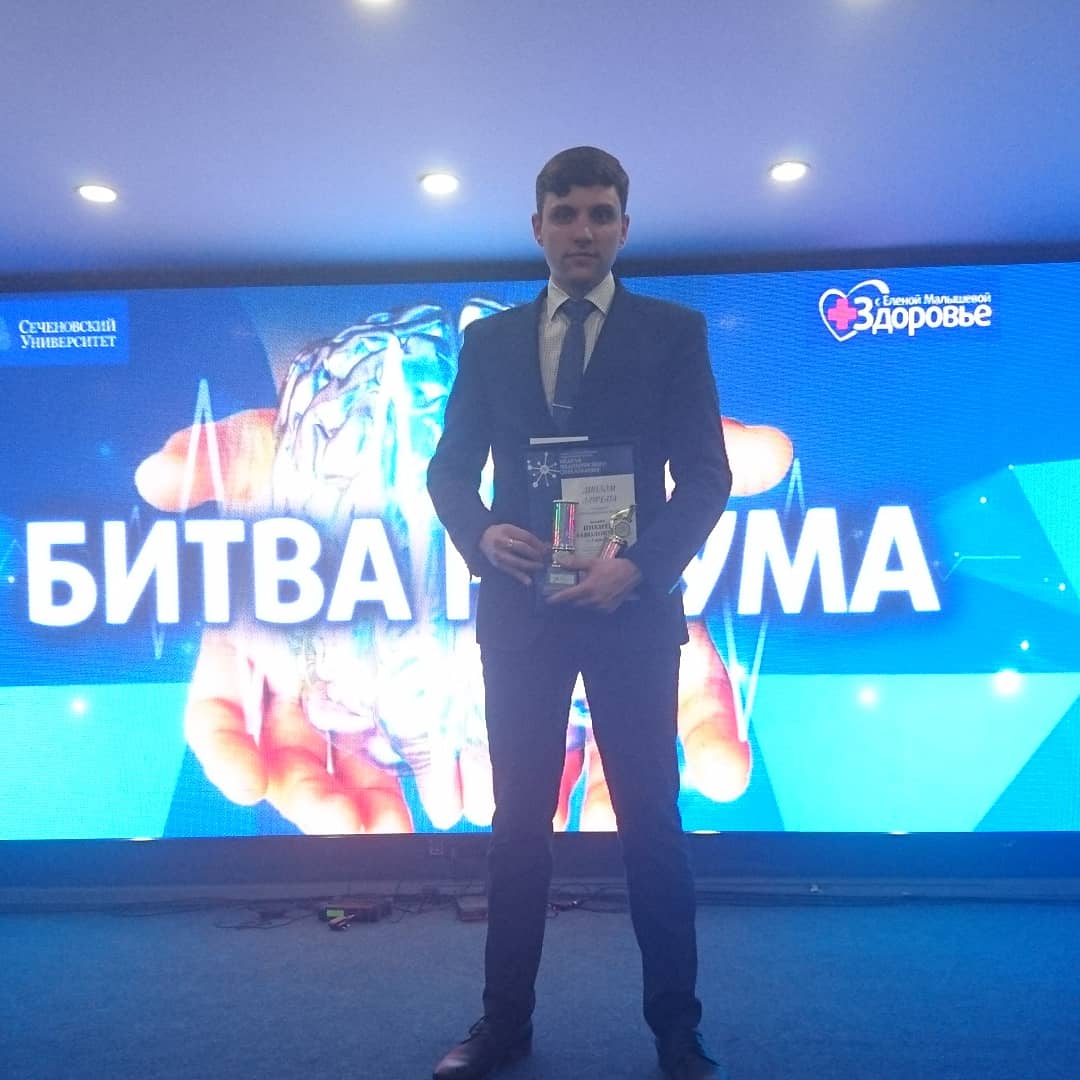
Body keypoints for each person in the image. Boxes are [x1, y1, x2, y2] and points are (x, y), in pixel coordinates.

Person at [426, 147, 732, 1080]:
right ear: (538, 228)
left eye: (601, 214)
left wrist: (638, 566)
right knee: (518, 825)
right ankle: (503, 1024)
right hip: (522, 615)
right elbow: (449, 472)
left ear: (624, 228)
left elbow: (707, 477)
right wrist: (482, 532)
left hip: (630, 614)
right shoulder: (489, 343)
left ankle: (676, 1029)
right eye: (565, 215)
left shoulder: (674, 332)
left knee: (652, 823)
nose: (583, 231)